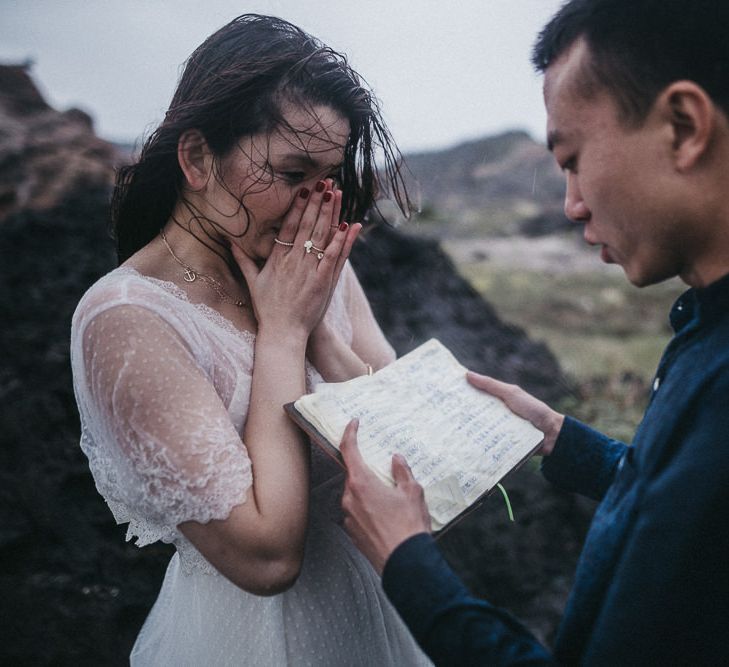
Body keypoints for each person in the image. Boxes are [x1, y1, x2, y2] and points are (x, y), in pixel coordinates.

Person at [339, 0, 729, 664]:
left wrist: (407, 562)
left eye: (572, 159)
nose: (571, 202)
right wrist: (557, 436)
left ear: (683, 125)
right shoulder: (705, 331)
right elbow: (680, 524)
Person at [70, 14, 431, 666]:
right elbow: (266, 554)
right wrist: (284, 335)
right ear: (198, 158)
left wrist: (318, 333)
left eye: (328, 175)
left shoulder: (315, 267)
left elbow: (415, 466)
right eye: (292, 171)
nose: (314, 202)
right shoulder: (128, 320)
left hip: (379, 619)